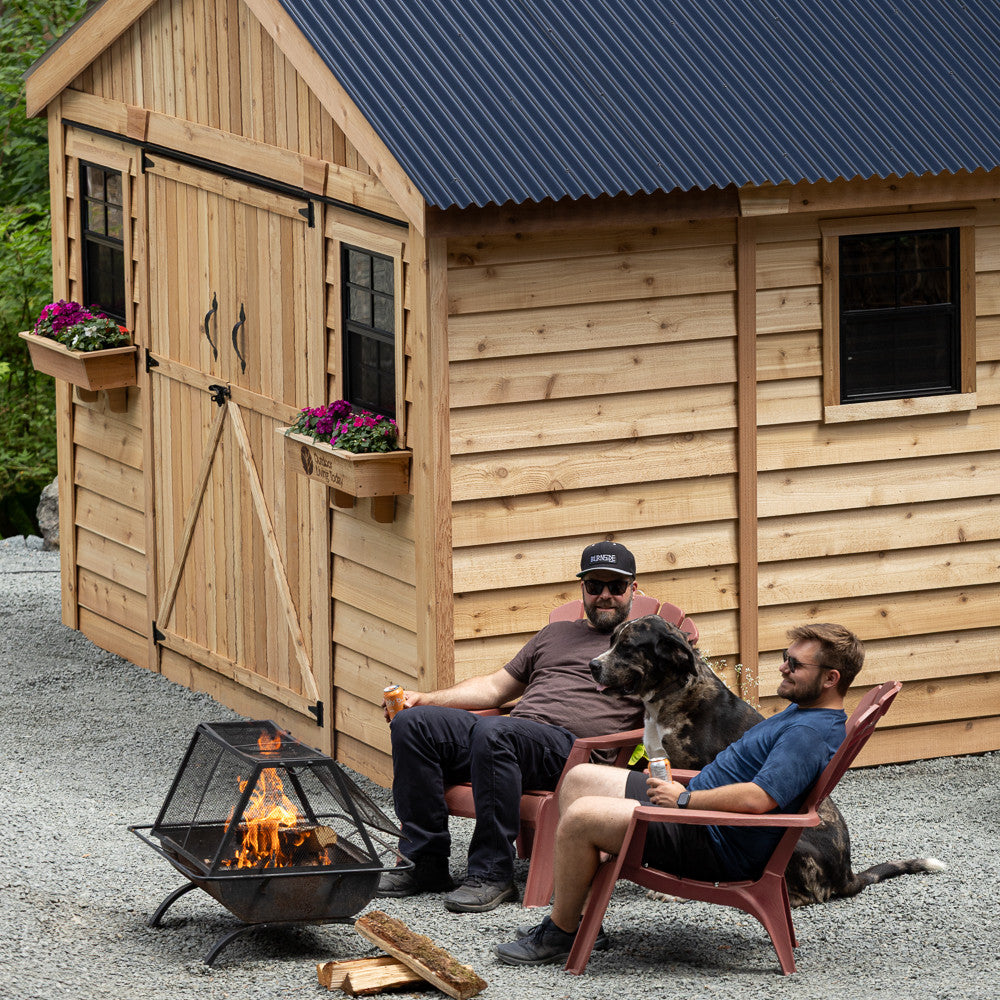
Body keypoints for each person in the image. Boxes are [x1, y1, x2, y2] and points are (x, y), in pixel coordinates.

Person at [495, 622, 864, 965]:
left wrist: (684, 799)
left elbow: (758, 799)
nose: (783, 667)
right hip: (696, 813)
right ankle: (582, 918)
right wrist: (684, 794)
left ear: (831, 678)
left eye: (795, 664)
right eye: (786, 658)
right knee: (580, 779)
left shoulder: (809, 734)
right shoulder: (802, 712)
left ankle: (561, 933)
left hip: (713, 839)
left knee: (581, 818)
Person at [377, 541, 647, 913]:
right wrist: (424, 698)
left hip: (572, 756)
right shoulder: (554, 635)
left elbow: (680, 702)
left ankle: (492, 874)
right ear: (582, 588)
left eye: (616, 587)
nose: (605, 596)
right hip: (509, 741)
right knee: (412, 724)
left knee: (497, 732)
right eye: (595, 586)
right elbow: (494, 688)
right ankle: (424, 862)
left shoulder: (647, 645)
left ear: (634, 589)